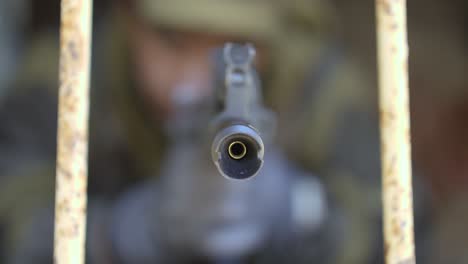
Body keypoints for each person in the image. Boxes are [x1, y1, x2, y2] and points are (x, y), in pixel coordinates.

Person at [0, 0, 382, 263]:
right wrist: (119, 233)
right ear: (127, 18)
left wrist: (299, 210)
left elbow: (396, 225)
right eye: (172, 41)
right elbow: (10, 219)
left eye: (233, 45)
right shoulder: (65, 78)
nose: (192, 82)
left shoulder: (321, 87)